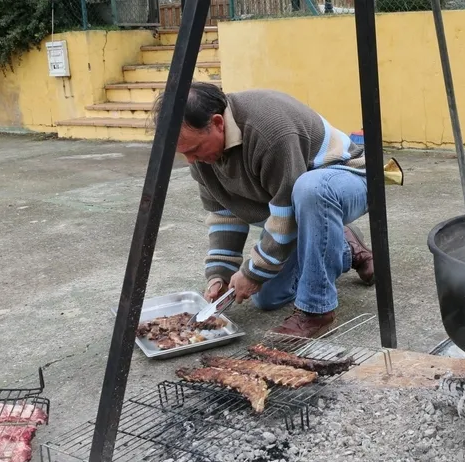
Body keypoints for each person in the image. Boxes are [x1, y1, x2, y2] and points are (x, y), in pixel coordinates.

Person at [151, 82, 376, 338]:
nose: (191, 160)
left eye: (194, 149)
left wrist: (253, 272)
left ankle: (317, 310)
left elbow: (285, 211)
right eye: (184, 153)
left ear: (217, 123)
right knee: (267, 297)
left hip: (347, 178)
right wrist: (220, 274)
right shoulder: (202, 158)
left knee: (309, 190)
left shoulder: (269, 129)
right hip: (296, 205)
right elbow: (224, 214)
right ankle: (345, 246)